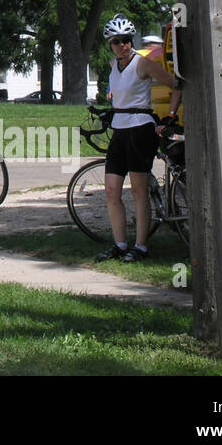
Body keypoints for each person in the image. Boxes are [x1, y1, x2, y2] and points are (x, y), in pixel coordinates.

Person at [95, 14, 182, 262]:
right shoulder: (114, 65)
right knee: (112, 190)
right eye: (117, 41)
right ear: (110, 44)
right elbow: (118, 90)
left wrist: (170, 116)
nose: (123, 44)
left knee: (138, 190)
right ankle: (120, 244)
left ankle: (141, 246)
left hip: (141, 127)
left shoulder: (142, 63)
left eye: (127, 40)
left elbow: (176, 84)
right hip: (120, 128)